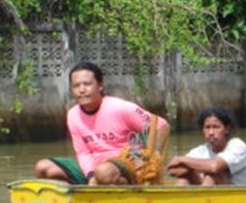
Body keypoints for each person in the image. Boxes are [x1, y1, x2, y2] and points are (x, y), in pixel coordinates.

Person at [33, 61, 169, 185]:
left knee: (103, 172)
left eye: (87, 84)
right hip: (95, 167)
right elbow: (83, 153)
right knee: (43, 168)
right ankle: (79, 200)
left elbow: (161, 126)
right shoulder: (73, 115)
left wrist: (152, 161)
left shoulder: (120, 108)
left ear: (100, 85)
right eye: (76, 86)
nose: (82, 90)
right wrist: (91, 175)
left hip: (125, 162)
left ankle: (126, 186)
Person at [167, 106, 246, 186]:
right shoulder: (200, 151)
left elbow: (214, 167)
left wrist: (182, 159)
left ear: (227, 129)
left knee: (212, 176)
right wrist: (190, 171)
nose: (211, 133)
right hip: (210, 192)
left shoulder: (237, 145)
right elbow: (171, 170)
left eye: (216, 127)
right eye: (207, 127)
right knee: (184, 178)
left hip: (237, 197)